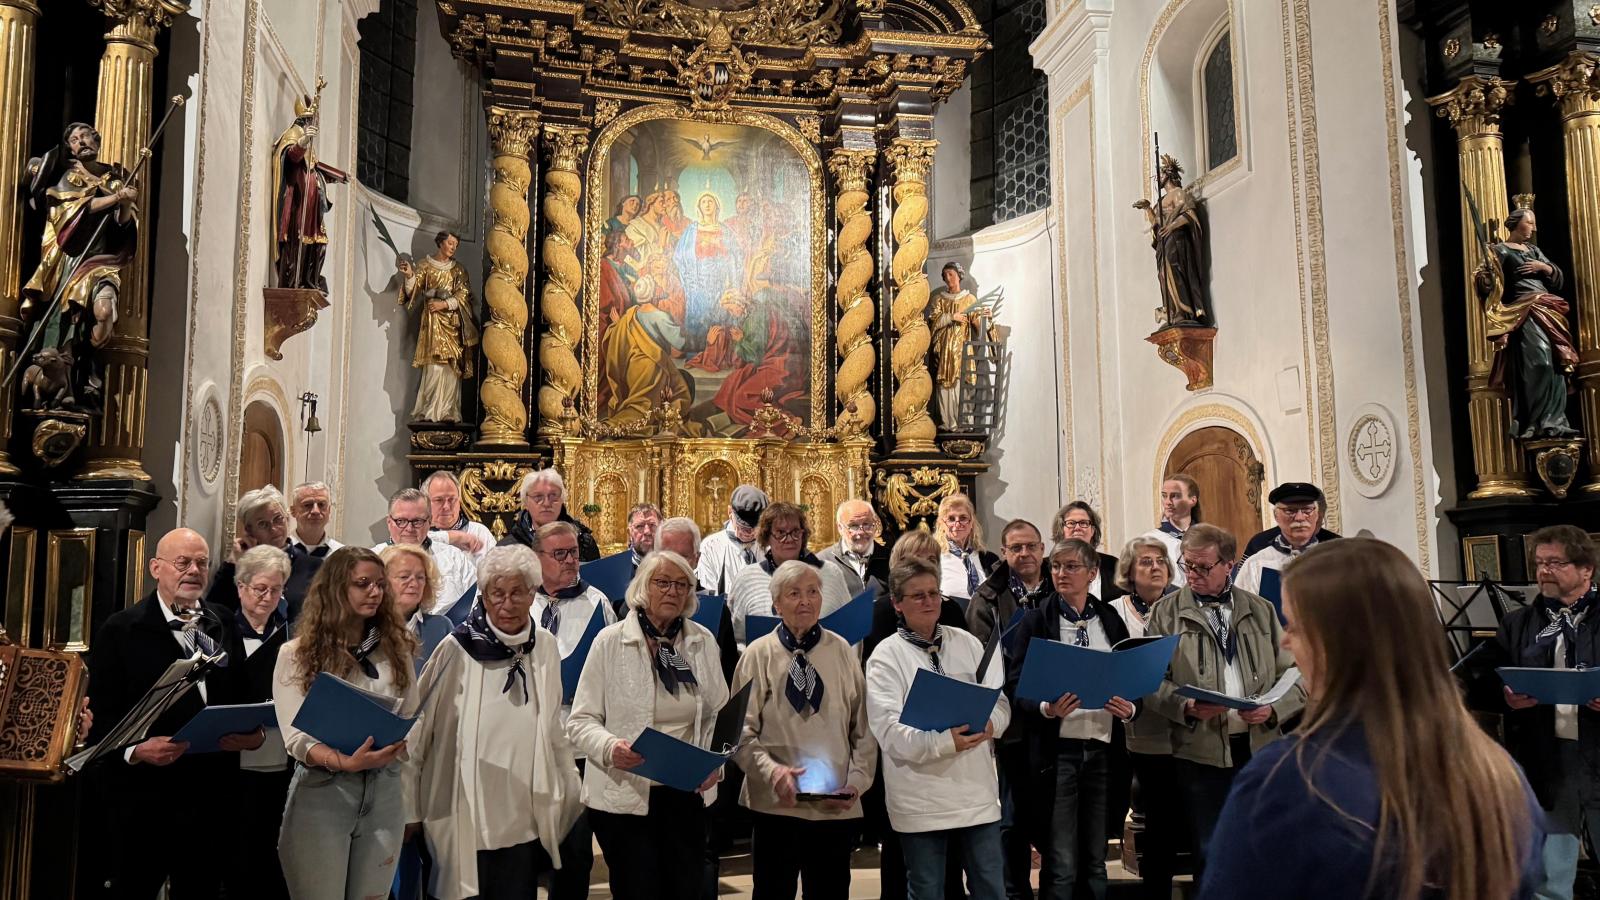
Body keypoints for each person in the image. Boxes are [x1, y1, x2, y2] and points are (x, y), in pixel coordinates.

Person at [1199, 538, 1546, 900]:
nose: (1286, 642)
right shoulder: (1498, 773)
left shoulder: (1291, 778)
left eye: (1296, 625)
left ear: (1339, 642)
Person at [405, 545, 584, 900]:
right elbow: (417, 731)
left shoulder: (544, 646)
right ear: (483, 595)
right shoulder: (456, 649)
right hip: (463, 807)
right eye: (496, 593)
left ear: (532, 593)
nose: (506, 603)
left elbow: (551, 726)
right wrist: (409, 805)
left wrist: (569, 785)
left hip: (522, 808)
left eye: (517, 592)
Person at [87, 528, 249, 899]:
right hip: (144, 798)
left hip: (211, 795)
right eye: (183, 562)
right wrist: (136, 750)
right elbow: (98, 716)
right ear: (155, 568)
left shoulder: (222, 621)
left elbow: (240, 692)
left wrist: (252, 733)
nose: (194, 570)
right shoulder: (122, 629)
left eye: (202, 563)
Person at [1144, 524, 1304, 884]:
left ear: (1228, 565)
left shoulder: (1261, 609)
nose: (1193, 575)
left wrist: (1274, 709)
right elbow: (1147, 682)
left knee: (1264, 845)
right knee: (1210, 849)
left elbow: (1297, 674)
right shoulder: (1165, 613)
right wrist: (1184, 707)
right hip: (1201, 752)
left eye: (1203, 567)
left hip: (1259, 746)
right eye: (1188, 565)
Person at [567, 551, 731, 900]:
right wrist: (611, 748)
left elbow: (720, 714)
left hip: (686, 793)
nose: (672, 591)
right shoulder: (610, 642)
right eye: (663, 582)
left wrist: (715, 764)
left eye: (682, 585)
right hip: (626, 794)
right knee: (637, 889)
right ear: (643, 587)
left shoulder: (701, 641)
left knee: (685, 888)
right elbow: (581, 721)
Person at [273, 547, 417, 900]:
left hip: (385, 789)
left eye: (380, 585)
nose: (374, 592)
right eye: (362, 584)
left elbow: (413, 712)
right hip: (325, 789)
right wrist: (344, 761)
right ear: (337, 588)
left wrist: (403, 740)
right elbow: (295, 737)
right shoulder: (296, 654)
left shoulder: (396, 649)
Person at [866, 556, 1010, 900]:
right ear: (897, 604)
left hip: (976, 794)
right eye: (918, 596)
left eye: (934, 593)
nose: (930, 602)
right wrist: (946, 742)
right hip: (921, 799)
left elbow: (1000, 702)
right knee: (928, 890)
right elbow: (888, 732)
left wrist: (992, 724)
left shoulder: (967, 642)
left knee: (991, 888)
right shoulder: (886, 656)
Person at [733, 560, 878, 899]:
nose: (805, 601)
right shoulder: (758, 654)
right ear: (776, 604)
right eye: (794, 594)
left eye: (813, 592)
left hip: (833, 805)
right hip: (776, 805)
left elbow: (864, 730)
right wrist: (772, 772)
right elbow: (739, 732)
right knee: (773, 890)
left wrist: (856, 783)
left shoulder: (841, 650)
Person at [1004, 540, 1137, 900]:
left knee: (1096, 857)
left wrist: (1130, 708)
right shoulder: (1037, 619)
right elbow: (1016, 685)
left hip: (1102, 747)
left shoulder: (1109, 618)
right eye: (1057, 566)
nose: (1061, 573)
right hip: (1057, 751)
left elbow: (1129, 678)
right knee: (1060, 859)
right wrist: (1047, 708)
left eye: (1071, 566)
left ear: (1093, 573)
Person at [1488, 525, 1598, 900]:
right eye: (1539, 563)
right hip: (1547, 757)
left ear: (1587, 570)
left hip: (1597, 748)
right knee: (1551, 877)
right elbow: (1490, 679)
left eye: (1555, 563)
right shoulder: (1518, 623)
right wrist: (1506, 694)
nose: (1544, 572)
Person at [21, 121, 137, 405]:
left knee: (104, 312)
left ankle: (92, 369)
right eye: (74, 139)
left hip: (101, 262)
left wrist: (123, 204)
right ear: (70, 148)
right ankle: (70, 385)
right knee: (64, 326)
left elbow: (123, 226)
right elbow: (71, 213)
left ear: (97, 141)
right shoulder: (69, 178)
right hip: (70, 261)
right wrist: (115, 198)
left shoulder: (114, 179)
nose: (81, 142)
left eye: (85, 136)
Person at [220, 545, 294, 900]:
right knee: (237, 860)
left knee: (274, 860)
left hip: (281, 763)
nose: (267, 597)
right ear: (240, 587)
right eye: (259, 588)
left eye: (276, 589)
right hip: (231, 766)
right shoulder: (220, 632)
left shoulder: (292, 637)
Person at [1110, 537, 1179, 900]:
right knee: (1154, 822)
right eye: (1145, 561)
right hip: (1135, 726)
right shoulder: (1114, 611)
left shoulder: (1183, 607)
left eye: (1160, 561)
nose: (1155, 566)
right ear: (1129, 573)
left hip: (1180, 725)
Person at [1478, 204, 1581, 438]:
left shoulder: (1533, 250)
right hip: (1524, 310)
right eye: (1529, 223)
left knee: (1556, 362)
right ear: (1516, 223)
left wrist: (1542, 266)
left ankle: (1554, 420)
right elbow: (1488, 284)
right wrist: (1486, 276)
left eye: (1533, 223)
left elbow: (1558, 278)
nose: (1533, 228)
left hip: (1547, 305)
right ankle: (1534, 419)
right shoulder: (1501, 251)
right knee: (1539, 362)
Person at [726, 502, 854, 649]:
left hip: (825, 665)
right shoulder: (747, 579)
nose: (789, 539)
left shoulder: (831, 573)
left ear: (803, 534)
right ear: (767, 536)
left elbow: (850, 631)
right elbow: (735, 638)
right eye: (780, 533)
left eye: (795, 532)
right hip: (766, 667)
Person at [397, 230, 480, 423]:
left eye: (456, 245)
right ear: (441, 243)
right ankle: (430, 410)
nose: (453, 247)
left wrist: (443, 304)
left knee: (451, 368)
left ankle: (449, 411)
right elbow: (414, 291)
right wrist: (409, 275)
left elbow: (463, 295)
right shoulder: (425, 265)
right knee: (434, 367)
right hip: (433, 324)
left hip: (452, 324)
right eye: (450, 243)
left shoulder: (458, 269)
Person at [206, 485, 322, 621]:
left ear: (287, 518)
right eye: (263, 524)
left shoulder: (314, 566)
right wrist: (235, 564)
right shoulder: (238, 568)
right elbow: (214, 615)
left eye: (278, 519)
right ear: (249, 530)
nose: (273, 528)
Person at [270, 93, 347, 292]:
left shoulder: (307, 141)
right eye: (312, 120)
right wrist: (303, 141)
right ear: (304, 120)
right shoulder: (294, 135)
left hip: (312, 208)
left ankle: (309, 280)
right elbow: (291, 157)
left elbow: (314, 167)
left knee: (319, 244)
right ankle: (293, 281)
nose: (315, 124)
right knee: (298, 242)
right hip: (299, 204)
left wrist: (335, 176)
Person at [534, 521, 619, 696]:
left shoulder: (597, 604)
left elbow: (615, 668)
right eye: (559, 554)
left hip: (576, 714)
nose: (570, 560)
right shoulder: (522, 600)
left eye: (573, 551)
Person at [1132, 154, 1213, 328]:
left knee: (1176, 272)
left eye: (1160, 175)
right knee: (1163, 275)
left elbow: (1188, 214)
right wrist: (1148, 208)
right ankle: (1172, 311)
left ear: (1168, 174)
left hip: (1176, 239)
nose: (1158, 179)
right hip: (1164, 241)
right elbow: (1157, 224)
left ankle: (1184, 311)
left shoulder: (1178, 193)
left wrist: (1172, 226)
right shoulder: (1161, 201)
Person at [657, 516, 740, 684]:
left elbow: (728, 676)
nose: (676, 564)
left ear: (697, 559)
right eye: (669, 555)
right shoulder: (639, 606)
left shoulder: (718, 611)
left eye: (683, 556)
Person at [1233, 482, 1335, 617]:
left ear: (1317, 515)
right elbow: (1242, 616)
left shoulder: (1336, 559)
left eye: (1307, 510)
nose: (1299, 518)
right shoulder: (1257, 563)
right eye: (1290, 511)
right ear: (1276, 516)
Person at [374, 487, 477, 615]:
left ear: (429, 522)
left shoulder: (455, 558)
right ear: (389, 522)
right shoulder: (373, 560)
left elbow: (477, 603)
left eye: (417, 521)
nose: (409, 528)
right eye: (401, 521)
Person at [967, 518, 1050, 645]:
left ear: (1042, 548)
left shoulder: (1062, 588)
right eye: (1016, 548)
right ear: (1004, 552)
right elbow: (979, 655)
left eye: (1031, 546)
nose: (1024, 553)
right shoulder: (986, 598)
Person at [379, 543, 454, 669]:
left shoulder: (441, 627)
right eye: (404, 577)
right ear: (382, 580)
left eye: (420, 577)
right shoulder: (364, 625)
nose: (414, 583)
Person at [501, 469, 601, 561]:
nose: (546, 503)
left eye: (553, 496)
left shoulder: (583, 543)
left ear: (562, 500)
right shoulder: (508, 548)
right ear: (525, 502)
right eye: (538, 497)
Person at [697, 484, 769, 595]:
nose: (749, 533)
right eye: (743, 527)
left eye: (754, 527)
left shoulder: (770, 547)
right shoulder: (711, 547)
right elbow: (707, 596)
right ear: (730, 512)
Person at [1052, 501, 1126, 603]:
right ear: (1061, 530)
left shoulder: (1113, 565)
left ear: (1093, 530)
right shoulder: (1047, 566)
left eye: (1083, 523)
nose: (1077, 528)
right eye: (1071, 523)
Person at [935, 494, 998, 604]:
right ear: (942, 524)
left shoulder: (990, 559)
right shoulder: (934, 559)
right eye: (951, 519)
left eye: (963, 518)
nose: (957, 524)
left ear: (971, 523)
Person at [424, 469, 495, 561]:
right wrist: (454, 537)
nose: (446, 506)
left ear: (459, 502)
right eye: (439, 500)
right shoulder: (419, 532)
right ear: (425, 503)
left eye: (452, 499)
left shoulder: (479, 533)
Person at [817, 498, 882, 597]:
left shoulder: (891, 559)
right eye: (853, 526)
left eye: (866, 524)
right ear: (840, 528)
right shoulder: (822, 562)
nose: (861, 532)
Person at [1143, 474, 1199, 588]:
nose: (1168, 502)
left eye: (1175, 496)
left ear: (1192, 500)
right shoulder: (1148, 541)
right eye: (1164, 496)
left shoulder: (1209, 539)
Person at [289, 481, 344, 556]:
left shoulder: (342, 555)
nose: (316, 511)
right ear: (293, 511)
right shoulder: (279, 551)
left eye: (321, 504)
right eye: (308, 505)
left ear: (329, 510)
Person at [627, 502, 664, 571]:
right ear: (629, 532)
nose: (647, 531)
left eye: (652, 525)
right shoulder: (614, 568)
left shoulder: (672, 567)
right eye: (640, 526)